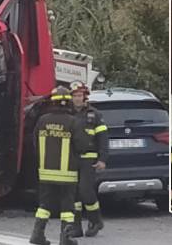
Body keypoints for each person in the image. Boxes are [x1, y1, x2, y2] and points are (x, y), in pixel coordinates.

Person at [30, 87, 87, 245]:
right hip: (67, 173)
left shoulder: (42, 120)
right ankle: (66, 238)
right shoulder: (73, 121)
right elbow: (82, 146)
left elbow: (34, 142)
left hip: (45, 172)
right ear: (67, 102)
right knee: (67, 206)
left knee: (44, 205)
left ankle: (37, 234)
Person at [70, 81, 107, 237]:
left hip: (89, 159)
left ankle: (95, 220)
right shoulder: (67, 113)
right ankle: (76, 227)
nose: (77, 99)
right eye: (74, 96)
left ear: (85, 96)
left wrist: (103, 159)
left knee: (85, 191)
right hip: (72, 158)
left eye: (80, 95)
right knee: (74, 194)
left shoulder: (95, 114)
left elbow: (103, 139)